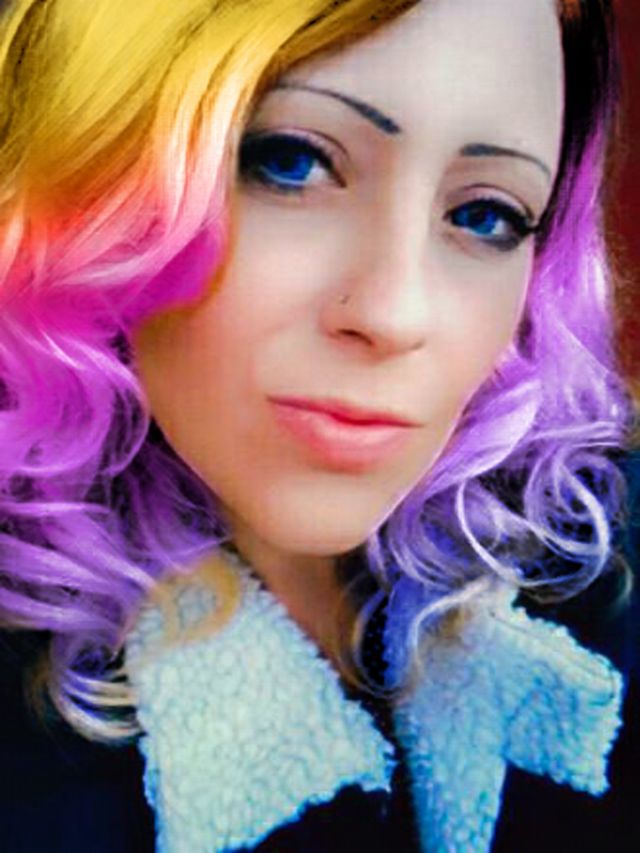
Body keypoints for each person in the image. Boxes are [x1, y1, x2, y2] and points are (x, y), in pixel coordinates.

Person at [0, 0, 636, 851]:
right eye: (290, 161)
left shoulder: (601, 554)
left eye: (486, 215)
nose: (396, 313)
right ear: (94, 165)